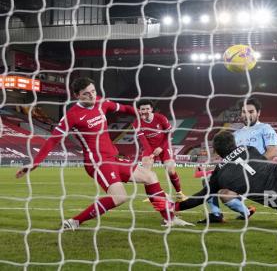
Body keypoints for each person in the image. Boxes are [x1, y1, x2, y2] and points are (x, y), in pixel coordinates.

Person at [15, 77, 192, 229]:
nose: (92, 95)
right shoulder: (72, 116)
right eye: (86, 93)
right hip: (97, 163)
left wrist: (138, 112)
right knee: (120, 197)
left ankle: (170, 219)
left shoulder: (101, 102)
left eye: (93, 91)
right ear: (77, 95)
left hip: (113, 158)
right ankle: (74, 222)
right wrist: (35, 163)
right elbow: (53, 140)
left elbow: (123, 109)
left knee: (150, 176)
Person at [199, 98, 277, 223]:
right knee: (208, 180)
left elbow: (273, 151)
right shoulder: (236, 134)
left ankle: (244, 210)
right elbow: (228, 158)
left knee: (221, 191)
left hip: (256, 174)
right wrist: (208, 167)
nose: (247, 115)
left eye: (251, 111)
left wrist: (254, 166)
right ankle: (217, 215)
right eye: (244, 112)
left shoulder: (265, 128)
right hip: (238, 173)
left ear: (258, 113)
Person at [133, 100, 187, 202]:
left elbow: (169, 133)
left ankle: (179, 193)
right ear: (139, 111)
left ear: (151, 109)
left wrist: (161, 147)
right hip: (149, 148)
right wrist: (151, 153)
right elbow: (143, 141)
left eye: (148, 108)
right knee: (146, 171)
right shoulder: (137, 123)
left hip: (164, 145)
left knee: (170, 169)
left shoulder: (160, 118)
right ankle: (151, 196)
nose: (145, 111)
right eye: (143, 109)